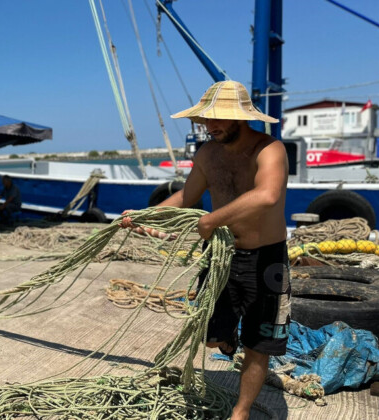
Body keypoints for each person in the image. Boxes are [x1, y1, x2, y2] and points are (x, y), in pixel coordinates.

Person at [121, 80, 289, 420]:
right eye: (205, 119)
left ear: (241, 117)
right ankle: (227, 340)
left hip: (266, 259)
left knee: (259, 346)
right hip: (222, 258)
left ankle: (240, 412)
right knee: (211, 338)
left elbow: (267, 196)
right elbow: (186, 199)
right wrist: (147, 216)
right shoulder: (206, 155)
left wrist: (211, 221)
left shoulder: (270, 150)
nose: (210, 126)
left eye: (219, 119)